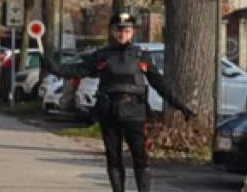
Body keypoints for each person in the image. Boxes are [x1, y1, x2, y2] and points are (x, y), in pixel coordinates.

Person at [42, 12, 196, 192]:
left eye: (127, 30)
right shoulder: (102, 55)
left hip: (135, 111)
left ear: (132, 32)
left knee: (140, 156)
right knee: (113, 157)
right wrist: (54, 68)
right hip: (109, 111)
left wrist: (181, 106)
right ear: (113, 32)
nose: (122, 34)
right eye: (119, 30)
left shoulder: (142, 56)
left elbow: (159, 84)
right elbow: (78, 70)